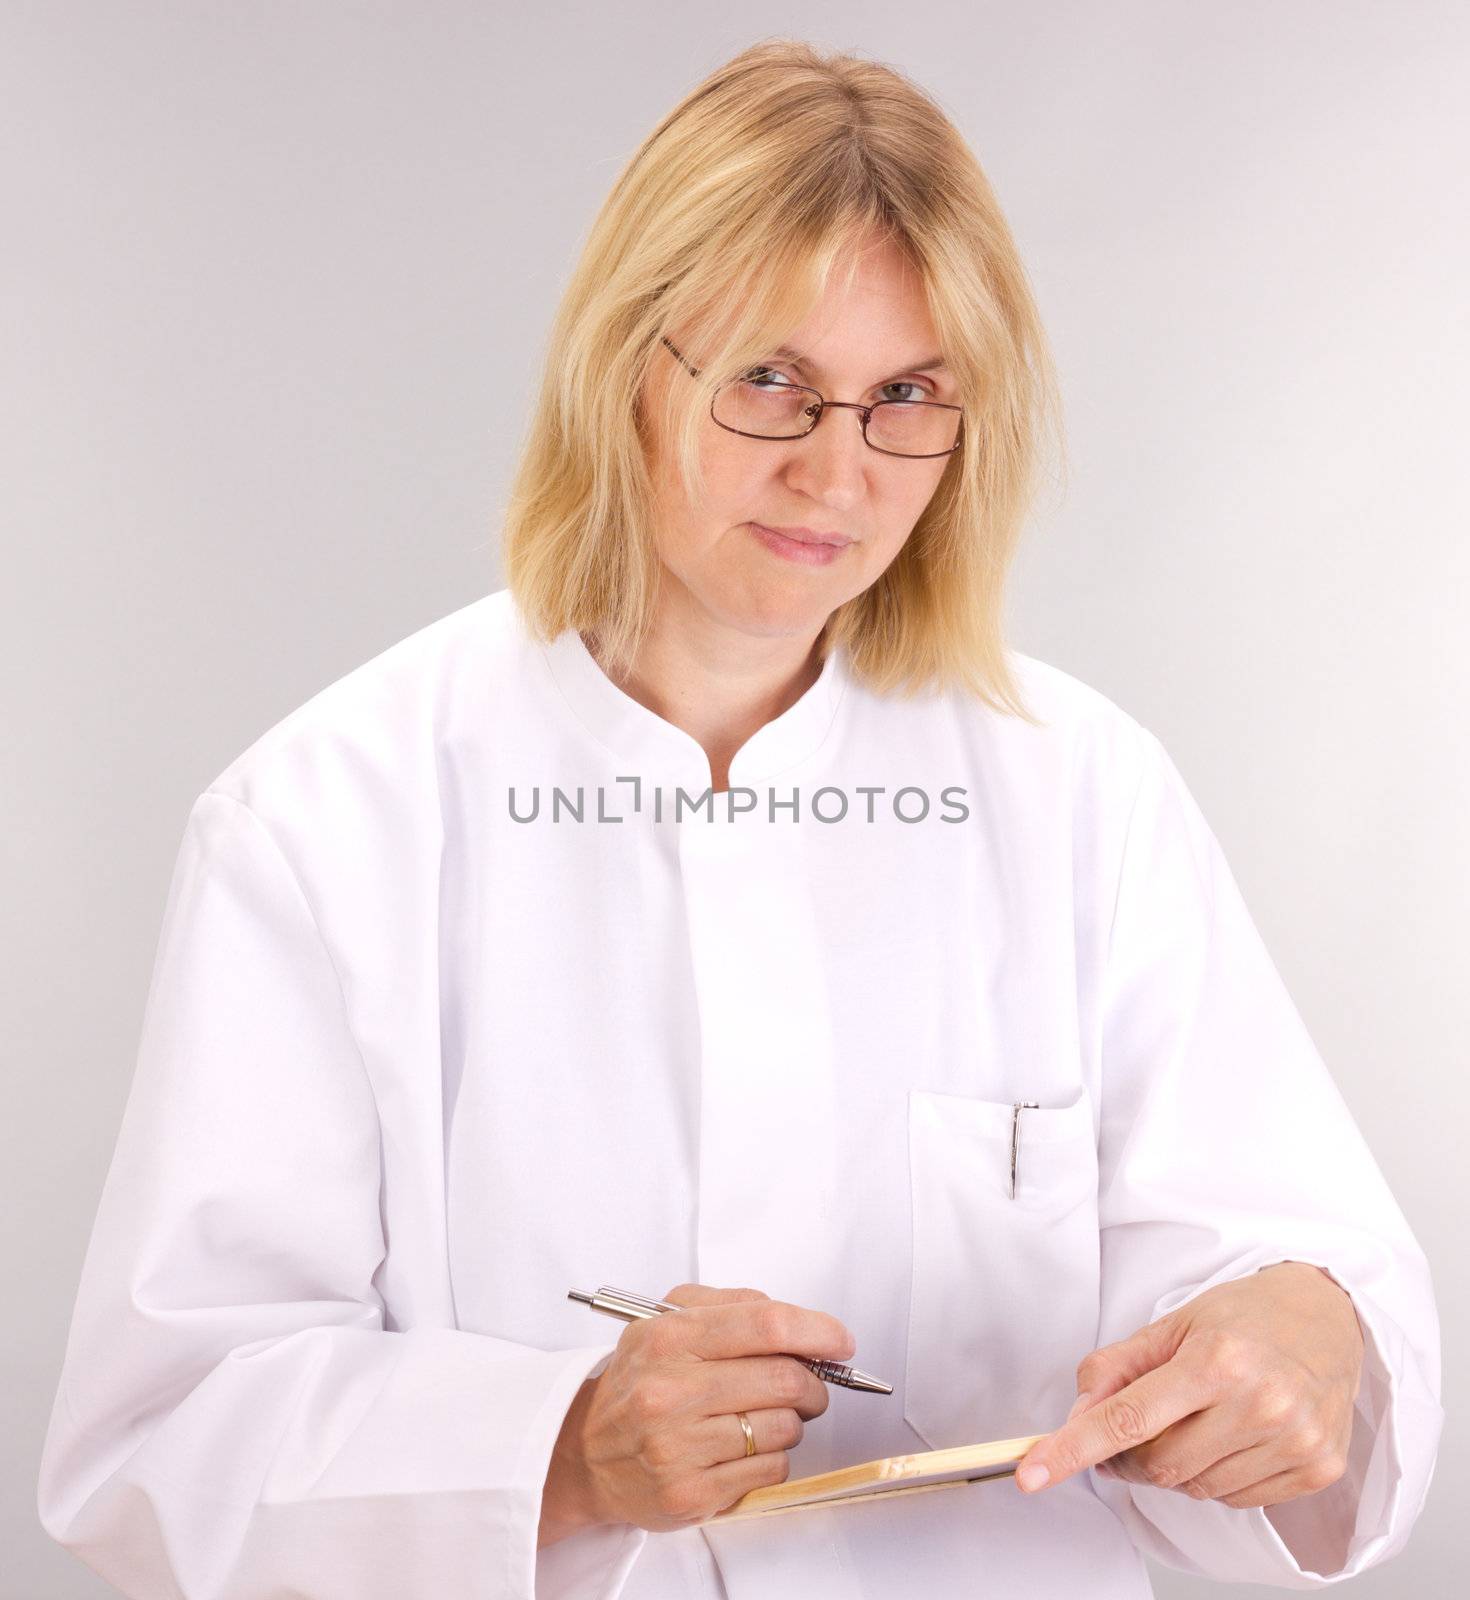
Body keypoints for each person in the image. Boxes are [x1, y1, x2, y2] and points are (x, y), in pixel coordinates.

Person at [37, 36, 1441, 1600]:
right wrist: (558, 1450)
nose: (836, 472)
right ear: (622, 369)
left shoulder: (1081, 793)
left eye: (905, 395)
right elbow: (156, 1449)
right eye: (772, 378)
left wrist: (1306, 1336)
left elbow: (1290, 1278)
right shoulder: (322, 823)